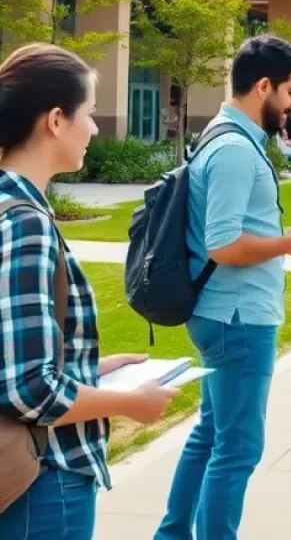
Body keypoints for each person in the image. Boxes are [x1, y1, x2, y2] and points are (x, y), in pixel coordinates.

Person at [0, 44, 176, 540]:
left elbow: (10, 355)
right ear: (56, 120)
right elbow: (28, 389)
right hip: (42, 480)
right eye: (91, 113)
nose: (95, 128)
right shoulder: (25, 224)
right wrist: (128, 404)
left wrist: (91, 368)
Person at [155, 35, 291, 540]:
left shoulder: (226, 137)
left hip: (222, 313)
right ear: (264, 86)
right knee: (238, 448)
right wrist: (288, 244)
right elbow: (223, 245)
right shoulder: (233, 150)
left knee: (212, 435)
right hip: (236, 318)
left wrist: (283, 239)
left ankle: (171, 535)